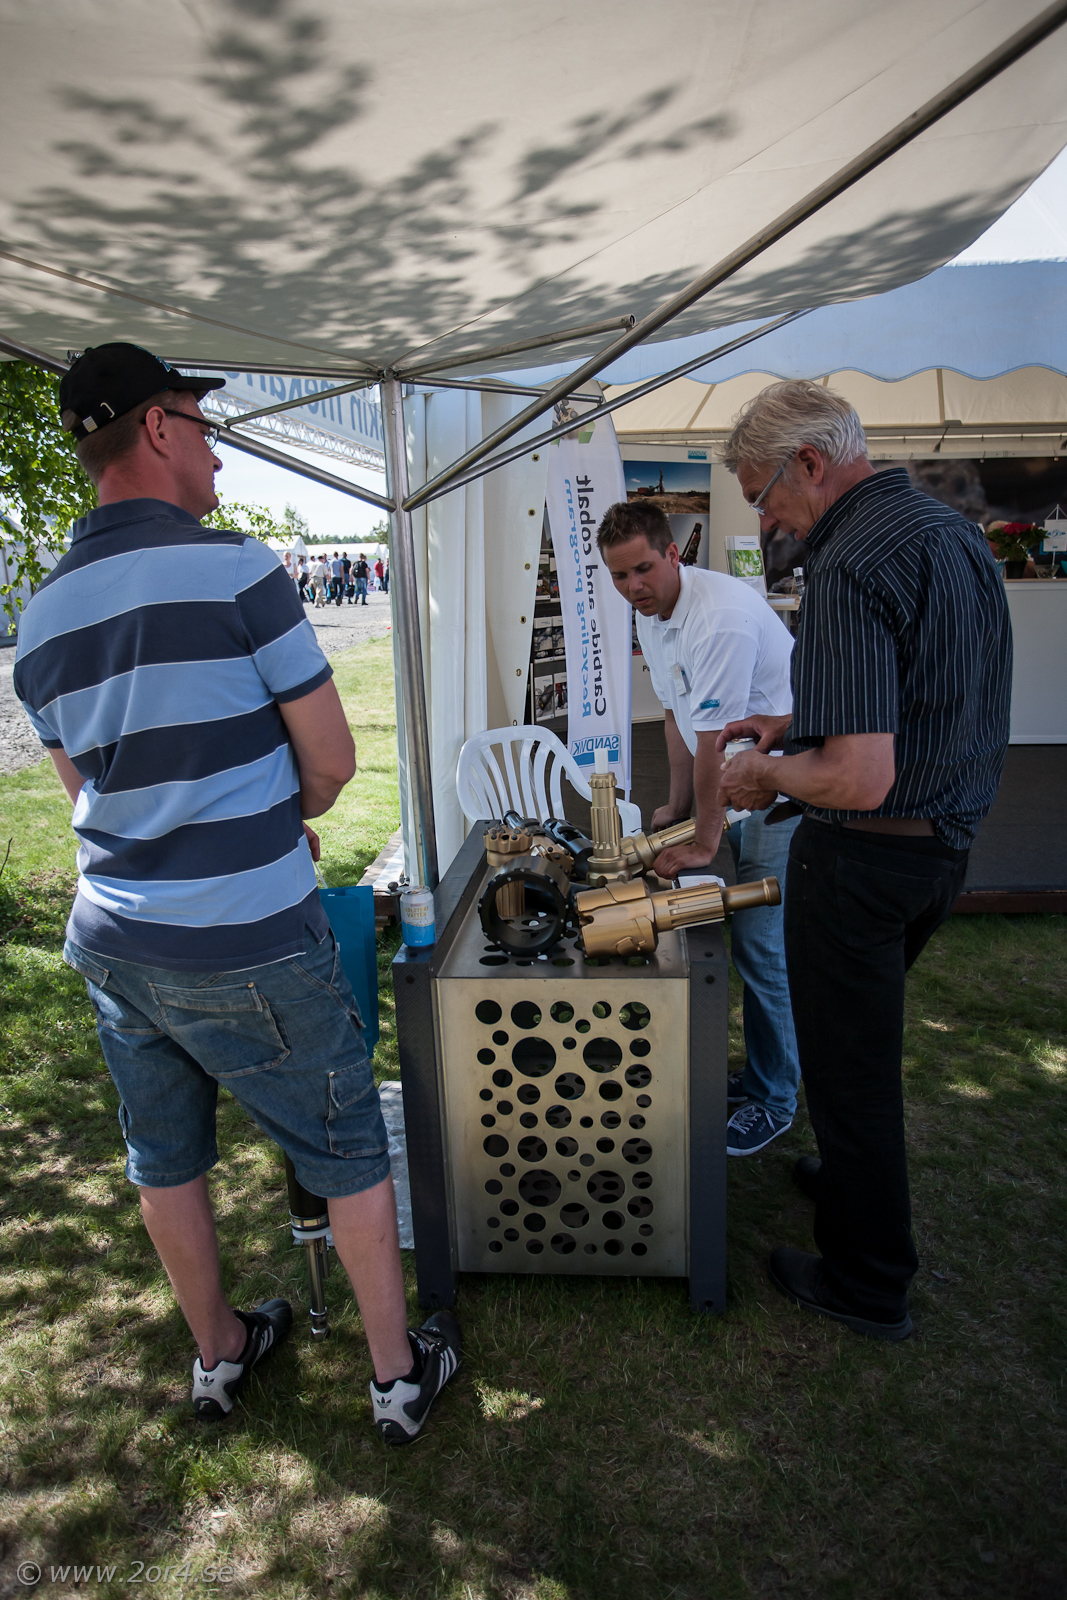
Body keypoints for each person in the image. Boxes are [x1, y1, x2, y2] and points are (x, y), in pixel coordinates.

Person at [13, 342, 461, 1442]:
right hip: (245, 935)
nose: (216, 452)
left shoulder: (40, 617)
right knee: (345, 1143)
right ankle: (396, 1375)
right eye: (202, 426)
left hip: (118, 939)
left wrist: (239, 812)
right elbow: (332, 763)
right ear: (158, 428)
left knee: (163, 1157)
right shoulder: (236, 568)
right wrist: (272, 814)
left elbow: (91, 795)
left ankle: (218, 1353)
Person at [717, 378, 1012, 1341]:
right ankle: (849, 1182)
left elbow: (854, 776)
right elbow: (920, 693)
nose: (766, 521)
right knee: (858, 1060)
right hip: (939, 852)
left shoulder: (847, 560)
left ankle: (867, 1279)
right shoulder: (947, 531)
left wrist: (764, 774)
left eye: (763, 497)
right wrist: (794, 725)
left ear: (808, 462)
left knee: (851, 1076)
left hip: (864, 860)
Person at [598, 501, 800, 1155]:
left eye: (643, 569)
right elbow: (674, 714)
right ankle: (765, 1072)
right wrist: (676, 805)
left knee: (761, 947)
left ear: (672, 554)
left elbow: (714, 738)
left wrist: (703, 838)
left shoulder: (719, 620)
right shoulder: (651, 611)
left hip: (777, 788)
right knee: (750, 944)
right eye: (619, 575)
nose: (633, 587)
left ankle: (776, 1097)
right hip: (731, 784)